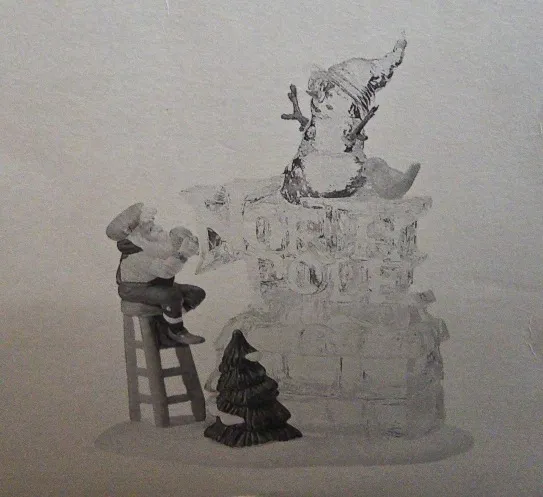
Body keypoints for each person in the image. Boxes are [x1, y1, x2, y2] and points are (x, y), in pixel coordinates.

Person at [106, 203, 206, 345]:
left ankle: (168, 319)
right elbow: (165, 271)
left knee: (195, 293)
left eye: (154, 224)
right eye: (151, 228)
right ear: (138, 236)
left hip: (155, 285)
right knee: (171, 295)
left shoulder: (151, 245)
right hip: (134, 289)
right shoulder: (137, 254)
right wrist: (183, 254)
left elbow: (166, 251)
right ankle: (177, 331)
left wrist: (182, 239)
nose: (158, 228)